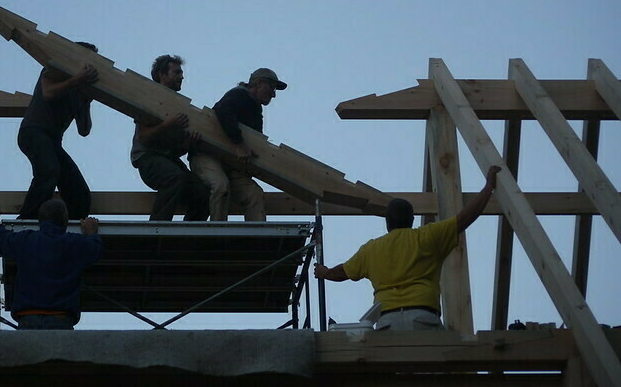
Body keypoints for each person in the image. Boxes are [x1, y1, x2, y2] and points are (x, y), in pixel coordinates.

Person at [314, 166, 501, 331]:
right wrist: (488, 188)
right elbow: (465, 219)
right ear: (411, 220)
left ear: (387, 223)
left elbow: (341, 273)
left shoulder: (371, 249)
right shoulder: (427, 237)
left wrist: (324, 271)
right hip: (424, 318)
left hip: (387, 322)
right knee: (445, 366)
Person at [0, 198, 102, 330]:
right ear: (65, 220)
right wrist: (92, 233)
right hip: (61, 318)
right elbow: (94, 250)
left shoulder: (25, 241)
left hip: (28, 317)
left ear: (40, 220)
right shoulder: (73, 243)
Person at [189, 68, 287, 221]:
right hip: (207, 156)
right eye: (271, 87)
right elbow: (224, 112)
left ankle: (257, 241)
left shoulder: (256, 110)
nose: (273, 94)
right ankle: (217, 236)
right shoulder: (239, 94)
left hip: (231, 164)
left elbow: (257, 143)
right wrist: (239, 144)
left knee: (254, 195)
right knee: (220, 186)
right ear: (258, 83)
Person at [17, 42, 99, 220]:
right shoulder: (56, 67)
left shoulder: (80, 89)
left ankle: (67, 228)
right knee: (48, 171)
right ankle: (26, 221)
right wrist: (77, 80)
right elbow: (48, 93)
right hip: (34, 131)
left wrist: (87, 101)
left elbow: (84, 130)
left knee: (80, 194)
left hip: (53, 141)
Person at [131, 54, 210, 221]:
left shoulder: (178, 105)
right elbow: (143, 137)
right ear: (162, 74)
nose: (182, 76)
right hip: (148, 159)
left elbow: (174, 150)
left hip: (168, 160)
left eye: (181, 73)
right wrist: (168, 124)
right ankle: (157, 228)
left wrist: (187, 144)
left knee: (202, 193)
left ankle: (189, 236)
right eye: (177, 72)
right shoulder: (151, 98)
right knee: (174, 177)